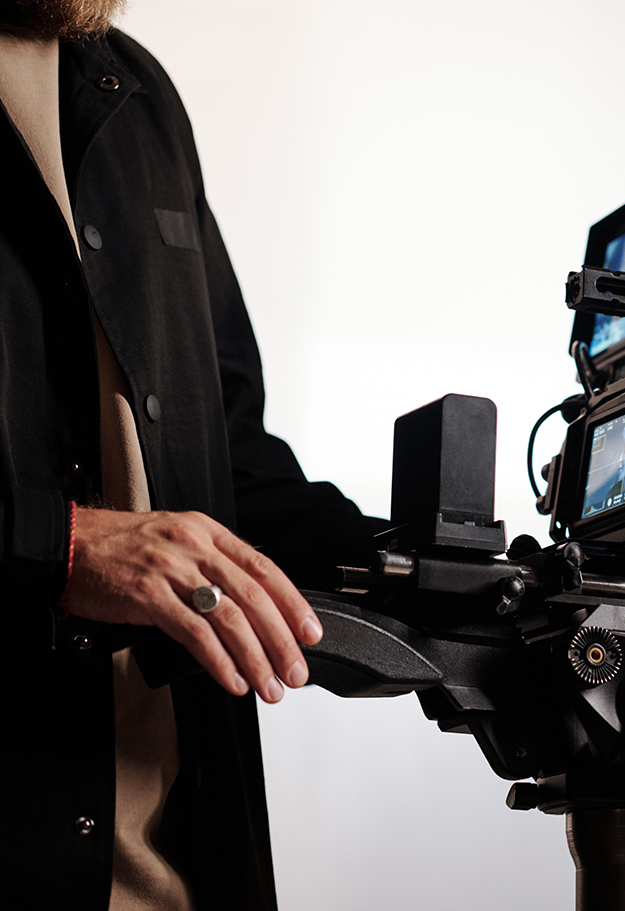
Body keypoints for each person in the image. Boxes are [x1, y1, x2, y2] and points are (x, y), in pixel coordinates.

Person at [0, 3, 384, 909]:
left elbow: (229, 461)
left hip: (185, 868)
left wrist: (430, 573)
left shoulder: (137, 95)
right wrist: (58, 548)